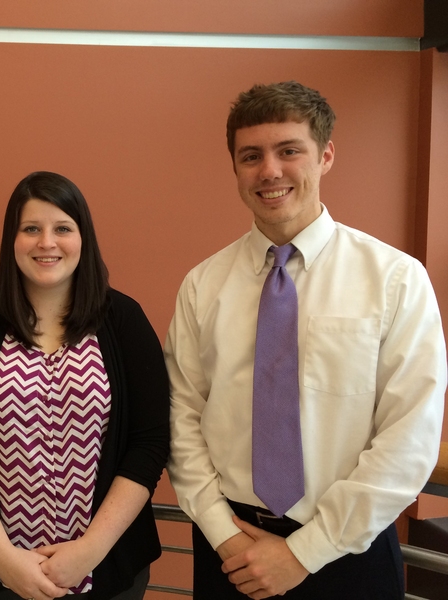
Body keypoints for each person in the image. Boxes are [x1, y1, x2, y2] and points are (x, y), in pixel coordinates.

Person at [164, 80, 447, 599]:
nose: (269, 170)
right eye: (251, 155)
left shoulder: (395, 280)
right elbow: (181, 418)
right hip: (233, 552)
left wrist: (304, 552)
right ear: (235, 168)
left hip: (348, 552)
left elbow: (409, 437)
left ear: (326, 155)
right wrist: (222, 534)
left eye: (289, 150)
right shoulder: (202, 286)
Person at [0, 171, 169, 600]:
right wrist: (3, 558)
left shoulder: (124, 320)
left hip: (107, 569)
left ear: (84, 238)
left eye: (62, 228)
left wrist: (88, 552)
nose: (47, 243)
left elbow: (149, 443)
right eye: (31, 229)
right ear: (12, 240)